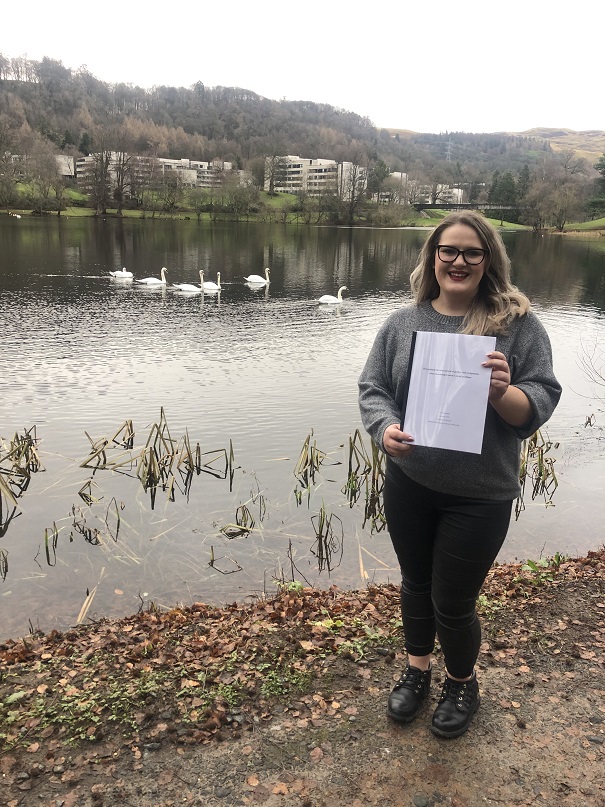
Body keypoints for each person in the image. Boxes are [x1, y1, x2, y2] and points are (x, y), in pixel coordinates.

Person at [358, 211, 561, 739]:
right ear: (433, 257)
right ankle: (417, 668)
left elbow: (539, 400)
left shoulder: (516, 327)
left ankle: (461, 681)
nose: (458, 261)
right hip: (410, 483)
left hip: (479, 495)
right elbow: (373, 388)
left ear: (487, 260)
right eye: (448, 251)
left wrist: (502, 393)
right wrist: (385, 429)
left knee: (454, 599)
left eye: (472, 252)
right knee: (415, 584)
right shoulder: (403, 324)